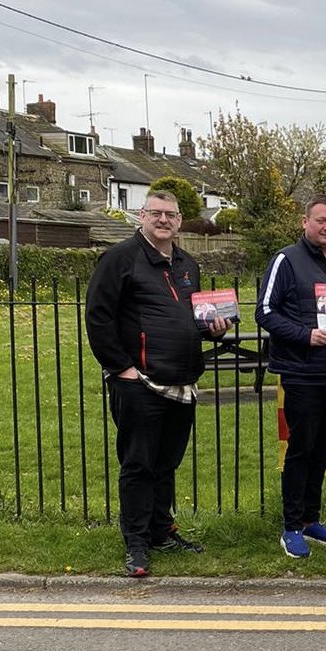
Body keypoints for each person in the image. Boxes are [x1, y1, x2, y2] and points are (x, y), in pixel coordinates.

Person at [85, 191, 229, 577]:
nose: (163, 220)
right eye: (156, 213)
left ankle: (161, 531)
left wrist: (214, 328)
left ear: (180, 221)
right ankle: (135, 543)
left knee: (166, 464)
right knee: (138, 465)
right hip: (139, 382)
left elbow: (196, 317)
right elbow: (99, 318)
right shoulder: (119, 259)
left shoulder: (187, 263)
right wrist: (121, 369)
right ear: (141, 216)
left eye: (171, 215)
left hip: (181, 381)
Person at [256, 195, 326, 559]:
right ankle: (290, 527)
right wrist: (306, 335)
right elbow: (265, 312)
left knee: (321, 451)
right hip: (302, 374)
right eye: (320, 221)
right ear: (305, 222)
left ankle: (310, 520)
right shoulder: (286, 260)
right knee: (301, 450)